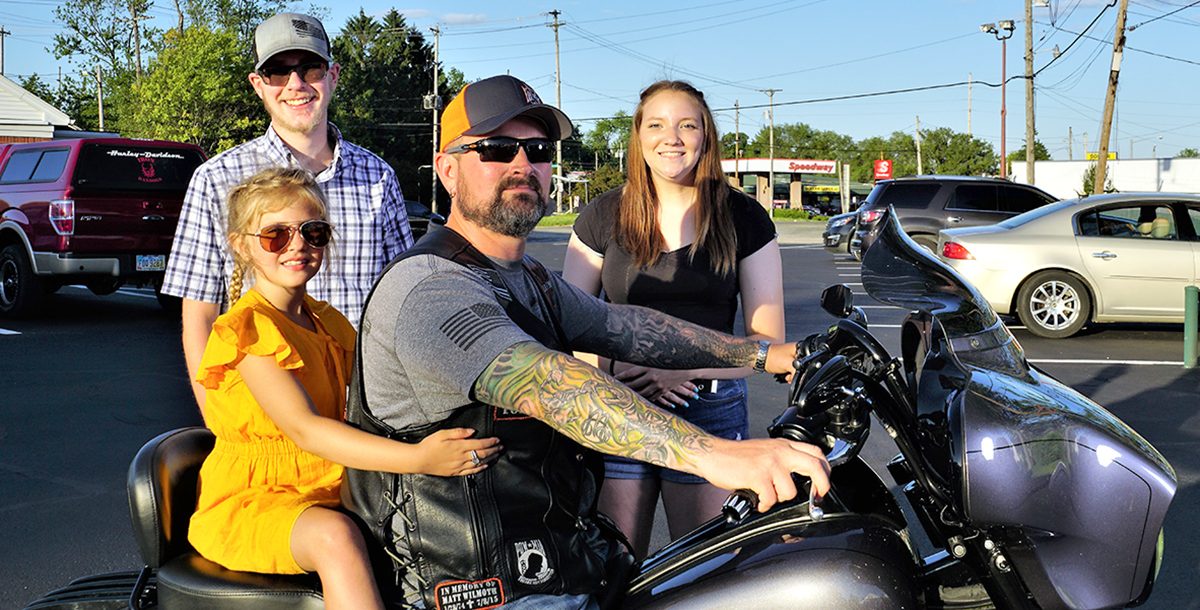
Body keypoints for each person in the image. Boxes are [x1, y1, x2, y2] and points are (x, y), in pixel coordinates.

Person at [343, 74, 830, 610]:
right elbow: (551, 383)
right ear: (448, 170)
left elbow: (630, 328)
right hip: (476, 587)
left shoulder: (529, 278)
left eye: (537, 149)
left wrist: (767, 353)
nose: (522, 164)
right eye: (498, 149)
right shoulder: (432, 287)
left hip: (551, 560)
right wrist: (716, 455)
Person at [187, 167, 500, 610]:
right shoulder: (248, 330)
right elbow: (306, 430)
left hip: (332, 483)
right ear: (241, 244)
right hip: (255, 500)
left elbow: (385, 387)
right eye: (276, 235)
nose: (298, 245)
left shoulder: (327, 320)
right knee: (336, 538)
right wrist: (419, 458)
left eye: (312, 232)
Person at [561, 80, 784, 558]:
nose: (673, 137)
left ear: (706, 136)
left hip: (709, 407)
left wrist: (684, 368)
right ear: (638, 137)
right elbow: (571, 321)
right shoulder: (602, 216)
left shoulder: (743, 217)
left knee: (700, 572)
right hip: (620, 406)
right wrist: (613, 377)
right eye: (657, 125)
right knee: (616, 567)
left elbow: (767, 342)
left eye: (687, 125)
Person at [161, 11, 412, 409]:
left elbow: (403, 301)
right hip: (264, 415)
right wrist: (217, 417)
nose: (296, 84)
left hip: (365, 410)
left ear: (333, 76)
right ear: (258, 85)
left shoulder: (378, 176)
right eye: (278, 72)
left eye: (310, 68)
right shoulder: (216, 179)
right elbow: (200, 315)